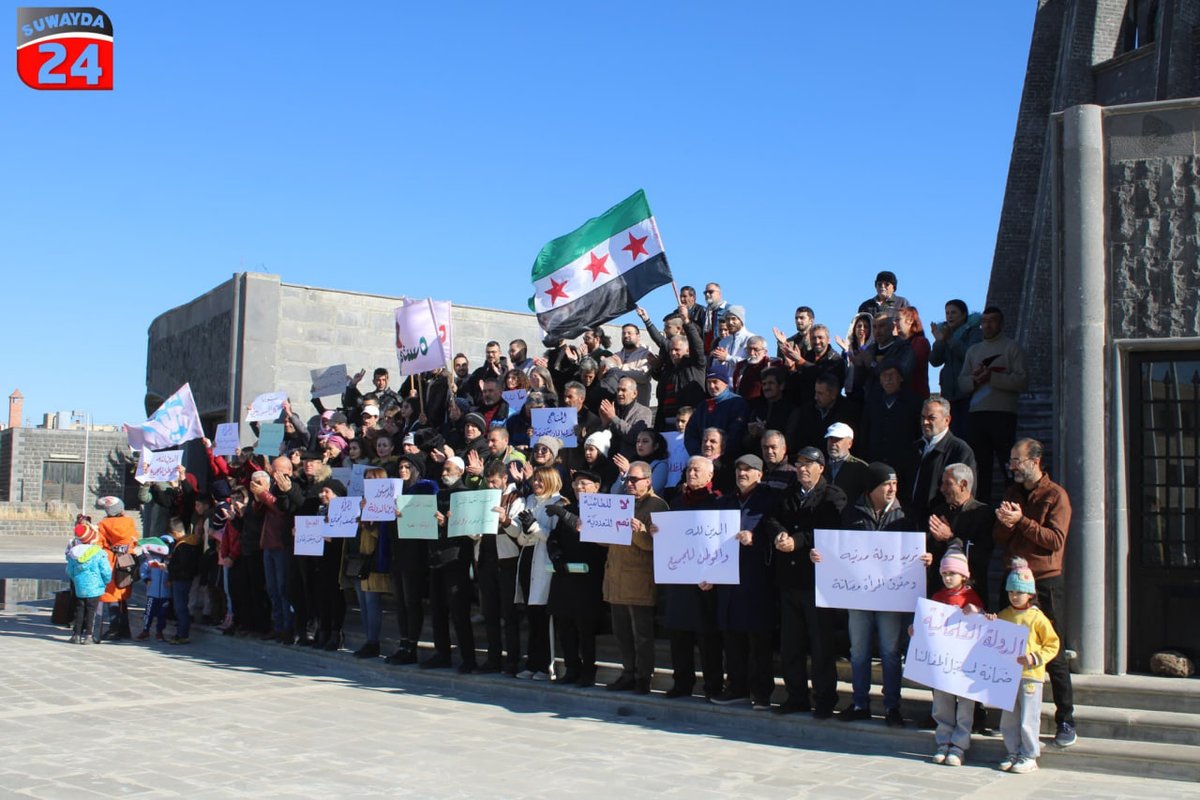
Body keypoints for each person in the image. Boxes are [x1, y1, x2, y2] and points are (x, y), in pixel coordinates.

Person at [815, 462, 929, 726]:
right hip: (859, 595)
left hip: (891, 596)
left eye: (895, 483)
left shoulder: (905, 513)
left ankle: (892, 706)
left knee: (890, 651)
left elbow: (912, 550)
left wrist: (925, 558)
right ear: (872, 488)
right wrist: (822, 556)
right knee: (859, 651)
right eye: (886, 484)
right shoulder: (852, 512)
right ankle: (859, 703)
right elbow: (839, 549)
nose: (892, 489)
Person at [993, 438, 1077, 747]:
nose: (1013, 466)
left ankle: (1066, 719)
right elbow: (1000, 537)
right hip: (1013, 579)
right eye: (1011, 460)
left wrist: (1022, 521)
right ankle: (1009, 718)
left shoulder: (1056, 496)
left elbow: (1055, 540)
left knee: (1052, 650)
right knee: (1007, 649)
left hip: (1043, 581)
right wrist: (1005, 523)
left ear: (1036, 461)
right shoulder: (1013, 493)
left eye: (1018, 460)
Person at [763, 446, 847, 717]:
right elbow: (771, 518)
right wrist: (779, 535)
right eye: (799, 463)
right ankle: (796, 695)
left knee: (821, 645)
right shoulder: (789, 493)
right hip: (789, 580)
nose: (802, 468)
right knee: (791, 644)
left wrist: (797, 541)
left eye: (808, 464)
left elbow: (830, 530)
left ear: (821, 467)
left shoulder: (833, 496)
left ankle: (824, 698)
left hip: (817, 583)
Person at [711, 454, 777, 709]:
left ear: (760, 474)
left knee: (757, 638)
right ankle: (736, 686)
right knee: (732, 636)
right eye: (739, 469)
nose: (742, 473)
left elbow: (775, 532)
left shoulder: (768, 500)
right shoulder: (725, 501)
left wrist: (755, 539)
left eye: (748, 470)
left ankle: (761, 692)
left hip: (756, 578)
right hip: (728, 579)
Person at [661, 456, 724, 700]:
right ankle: (682, 683)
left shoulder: (717, 502)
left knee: (707, 636)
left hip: (706, 581)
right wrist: (660, 531)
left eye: (697, 469)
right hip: (680, 579)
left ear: (710, 476)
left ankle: (713, 685)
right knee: (679, 633)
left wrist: (716, 575)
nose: (691, 473)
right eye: (688, 469)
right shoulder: (676, 502)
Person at [991, 557, 1061, 774]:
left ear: (1029, 594)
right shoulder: (1004, 615)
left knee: (1028, 717)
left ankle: (1029, 755)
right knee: (1009, 718)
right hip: (1009, 675)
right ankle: (1012, 751)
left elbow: (1053, 644)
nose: (1014, 596)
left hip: (1031, 675)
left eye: (1019, 592)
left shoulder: (1038, 618)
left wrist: (1034, 658)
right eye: (1011, 592)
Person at [604, 461, 669, 694]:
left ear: (648, 481)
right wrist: (591, 528)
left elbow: (658, 546)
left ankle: (643, 676)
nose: (629, 483)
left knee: (642, 633)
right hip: (616, 575)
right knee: (620, 631)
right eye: (627, 479)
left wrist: (640, 532)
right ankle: (628, 672)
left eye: (634, 479)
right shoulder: (622, 502)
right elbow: (607, 539)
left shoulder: (657, 505)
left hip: (639, 578)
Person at [544, 469, 608, 686]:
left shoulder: (603, 508)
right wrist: (556, 553)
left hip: (588, 577)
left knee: (585, 627)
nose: (579, 488)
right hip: (565, 575)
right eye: (576, 485)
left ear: (596, 487)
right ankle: (571, 667)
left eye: (585, 484)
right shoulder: (568, 509)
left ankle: (588, 671)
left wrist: (564, 515)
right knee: (564, 623)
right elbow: (554, 537)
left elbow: (588, 529)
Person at [958, 306, 1028, 503]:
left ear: (1001, 323)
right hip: (977, 415)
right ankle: (980, 508)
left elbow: (1022, 381)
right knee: (980, 467)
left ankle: (1013, 503)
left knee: (1009, 465)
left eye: (992, 321)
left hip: (1003, 414)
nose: (987, 325)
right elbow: (962, 383)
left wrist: (992, 377)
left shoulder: (1012, 348)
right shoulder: (973, 351)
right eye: (984, 321)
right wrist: (975, 379)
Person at [502, 466, 565, 680]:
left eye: (541, 480)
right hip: (528, 558)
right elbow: (520, 536)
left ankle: (546, 665)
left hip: (545, 562)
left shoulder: (558, 504)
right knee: (532, 614)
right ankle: (532, 662)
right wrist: (507, 522)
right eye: (534, 480)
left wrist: (535, 529)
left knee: (543, 616)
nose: (536, 484)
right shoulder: (529, 501)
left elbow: (555, 538)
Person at [925, 548, 985, 767]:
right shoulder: (937, 597)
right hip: (943, 662)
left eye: (952, 573)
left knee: (965, 706)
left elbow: (983, 627)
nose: (948, 578)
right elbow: (927, 624)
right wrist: (917, 630)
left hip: (965, 663)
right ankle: (943, 741)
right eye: (944, 574)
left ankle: (959, 746)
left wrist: (977, 612)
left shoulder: (972, 598)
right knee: (942, 704)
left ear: (964, 575)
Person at [422, 456, 478, 673]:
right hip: (437, 557)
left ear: (460, 471)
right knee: (437, 609)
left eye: (449, 469)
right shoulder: (439, 494)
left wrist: (447, 523)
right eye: (443, 470)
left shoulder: (466, 496)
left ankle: (468, 658)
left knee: (459, 611)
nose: (444, 473)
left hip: (456, 559)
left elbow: (469, 531)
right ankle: (441, 653)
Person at [384, 453, 438, 665]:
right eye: (401, 467)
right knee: (400, 602)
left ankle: (412, 646)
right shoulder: (396, 491)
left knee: (411, 601)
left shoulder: (424, 488)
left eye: (407, 466)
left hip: (415, 553)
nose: (403, 470)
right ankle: (403, 642)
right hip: (397, 551)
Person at [475, 461, 521, 674]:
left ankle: (512, 660)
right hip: (486, 559)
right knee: (490, 614)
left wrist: (505, 520)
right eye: (488, 482)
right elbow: (476, 533)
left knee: (509, 615)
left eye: (495, 482)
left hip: (507, 562)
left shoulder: (516, 498)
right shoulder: (482, 498)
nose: (491, 486)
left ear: (505, 479)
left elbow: (519, 534)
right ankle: (493, 658)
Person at [927, 463, 994, 606]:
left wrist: (951, 538)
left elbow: (981, 556)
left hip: (971, 596)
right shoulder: (939, 512)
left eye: (947, 484)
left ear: (963, 484)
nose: (942, 489)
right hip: (940, 594)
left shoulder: (983, 513)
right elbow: (931, 548)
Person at [909, 394, 977, 530]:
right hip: (911, 523)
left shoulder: (960, 451)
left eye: (931, 418)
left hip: (940, 526)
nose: (925, 422)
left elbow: (965, 494)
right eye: (923, 417)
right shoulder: (914, 448)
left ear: (947, 420)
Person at [348, 467, 395, 659]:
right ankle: (369, 639)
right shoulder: (362, 502)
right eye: (366, 479)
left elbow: (383, 535)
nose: (367, 482)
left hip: (375, 559)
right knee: (363, 603)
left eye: (372, 479)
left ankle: (373, 641)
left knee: (372, 602)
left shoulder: (386, 502)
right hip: (360, 557)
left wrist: (369, 523)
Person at [928, 299, 981, 436]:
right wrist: (939, 341)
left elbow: (969, 356)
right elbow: (935, 361)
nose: (949, 316)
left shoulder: (973, 332)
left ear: (964, 315)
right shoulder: (944, 333)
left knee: (967, 434)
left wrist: (951, 339)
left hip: (968, 393)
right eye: (947, 313)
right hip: (948, 393)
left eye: (954, 313)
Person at [96, 495, 139, 641]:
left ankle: (114, 629)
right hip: (125, 561)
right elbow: (134, 542)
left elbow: (98, 544)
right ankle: (125, 629)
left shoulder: (103, 524)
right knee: (122, 597)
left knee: (111, 597)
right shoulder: (129, 523)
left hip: (110, 562)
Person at [684, 363, 749, 458]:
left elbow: (736, 435)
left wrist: (720, 457)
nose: (711, 386)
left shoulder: (737, 403)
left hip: (727, 462)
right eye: (708, 382)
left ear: (725, 383)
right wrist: (699, 455)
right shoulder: (702, 406)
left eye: (715, 381)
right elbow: (690, 434)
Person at [65, 520, 111, 644]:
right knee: (92, 611)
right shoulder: (98, 552)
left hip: (80, 586)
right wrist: (106, 581)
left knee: (80, 609)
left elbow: (69, 570)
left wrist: (76, 579)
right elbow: (106, 571)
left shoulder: (73, 553)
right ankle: (89, 635)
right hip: (95, 587)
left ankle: (76, 635)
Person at [166, 513, 203, 645]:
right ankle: (181, 632)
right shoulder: (193, 541)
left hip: (180, 579)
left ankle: (182, 634)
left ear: (174, 533)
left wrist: (168, 566)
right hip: (188, 578)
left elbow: (181, 565)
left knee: (180, 607)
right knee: (182, 606)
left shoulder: (182, 546)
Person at [598, 376, 652, 461]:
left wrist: (613, 418)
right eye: (618, 390)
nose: (619, 393)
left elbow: (636, 436)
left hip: (629, 463)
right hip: (608, 461)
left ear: (634, 394)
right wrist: (605, 424)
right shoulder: (612, 408)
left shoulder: (644, 412)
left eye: (623, 390)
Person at [824, 422, 872, 504]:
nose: (833, 443)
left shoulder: (861, 468)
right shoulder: (820, 465)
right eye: (831, 438)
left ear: (849, 443)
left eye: (838, 439)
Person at [896, 305, 931, 399]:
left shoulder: (920, 342)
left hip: (915, 396)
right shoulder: (899, 344)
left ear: (910, 320)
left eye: (898, 320)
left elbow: (909, 367)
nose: (895, 324)